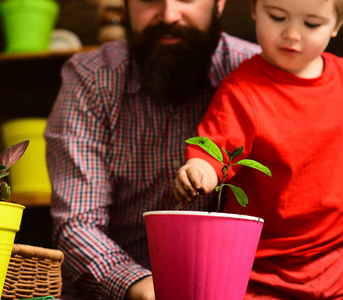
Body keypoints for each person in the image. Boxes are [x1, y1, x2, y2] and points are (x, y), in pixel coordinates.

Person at [173, 0, 343, 298]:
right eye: (277, 17)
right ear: (254, 9)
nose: (291, 34)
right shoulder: (242, 91)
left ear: (336, 25)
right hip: (262, 272)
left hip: (340, 266)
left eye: (311, 24)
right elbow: (214, 155)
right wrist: (199, 172)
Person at [44, 0, 261, 298]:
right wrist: (139, 285)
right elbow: (77, 223)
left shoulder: (258, 75)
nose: (169, 14)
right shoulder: (91, 77)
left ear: (219, 3)